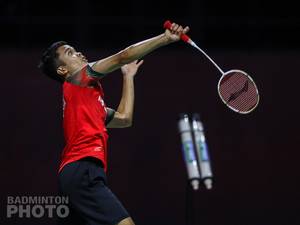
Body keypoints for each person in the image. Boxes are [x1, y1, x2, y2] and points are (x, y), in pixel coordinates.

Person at [38, 22, 189, 225]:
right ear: (63, 70)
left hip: (75, 175)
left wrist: (128, 76)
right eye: (70, 52)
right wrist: (165, 39)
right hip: (83, 169)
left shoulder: (86, 100)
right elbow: (123, 56)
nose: (79, 53)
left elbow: (125, 119)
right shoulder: (77, 78)